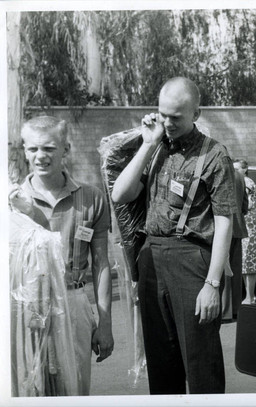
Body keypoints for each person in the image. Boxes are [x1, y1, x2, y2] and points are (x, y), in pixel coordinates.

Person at [111, 77, 236, 394]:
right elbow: (120, 194)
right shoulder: (154, 148)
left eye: (176, 117)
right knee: (161, 363)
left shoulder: (214, 155)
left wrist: (212, 283)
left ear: (196, 113)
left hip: (192, 260)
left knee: (200, 361)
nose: (167, 123)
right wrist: (148, 142)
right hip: (152, 258)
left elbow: (224, 222)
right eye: (163, 114)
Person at [10, 115, 114, 396]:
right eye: (32, 149)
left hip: (73, 301)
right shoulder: (13, 201)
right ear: (24, 149)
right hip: (28, 306)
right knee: (30, 387)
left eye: (49, 148)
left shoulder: (91, 198)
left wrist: (105, 325)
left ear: (65, 149)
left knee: (74, 387)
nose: (40, 156)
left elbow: (101, 264)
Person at [233, 159, 256, 304]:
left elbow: (249, 203)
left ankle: (250, 296)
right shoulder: (244, 181)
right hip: (246, 221)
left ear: (245, 169)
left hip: (250, 222)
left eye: (237, 168)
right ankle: (249, 294)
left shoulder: (246, 182)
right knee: (245, 260)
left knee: (249, 260)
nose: (234, 171)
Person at [221, 167, 248, 321]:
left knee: (223, 269)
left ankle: (225, 312)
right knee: (235, 269)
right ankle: (236, 308)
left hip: (222, 228)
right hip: (237, 226)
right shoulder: (239, 175)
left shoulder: (218, 170)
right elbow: (245, 204)